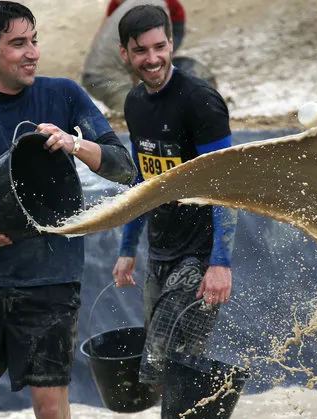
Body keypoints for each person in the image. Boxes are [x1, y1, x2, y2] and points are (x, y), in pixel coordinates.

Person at [0, 1, 137, 418]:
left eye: (34, 40)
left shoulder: (63, 95)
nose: (33, 52)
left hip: (51, 279)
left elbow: (124, 167)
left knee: (51, 409)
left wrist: (76, 144)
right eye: (18, 43)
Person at [110, 3, 237, 410]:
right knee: (168, 374)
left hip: (198, 258)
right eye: (141, 50)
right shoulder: (134, 103)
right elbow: (140, 183)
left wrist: (220, 263)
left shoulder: (200, 102)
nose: (152, 59)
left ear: (171, 43)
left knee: (162, 358)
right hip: (159, 253)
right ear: (125, 53)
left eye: (160, 47)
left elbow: (226, 187)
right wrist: (128, 249)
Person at [82, 0, 186, 112]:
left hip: (95, 74)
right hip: (105, 77)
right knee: (135, 115)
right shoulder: (153, 8)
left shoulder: (137, 7)